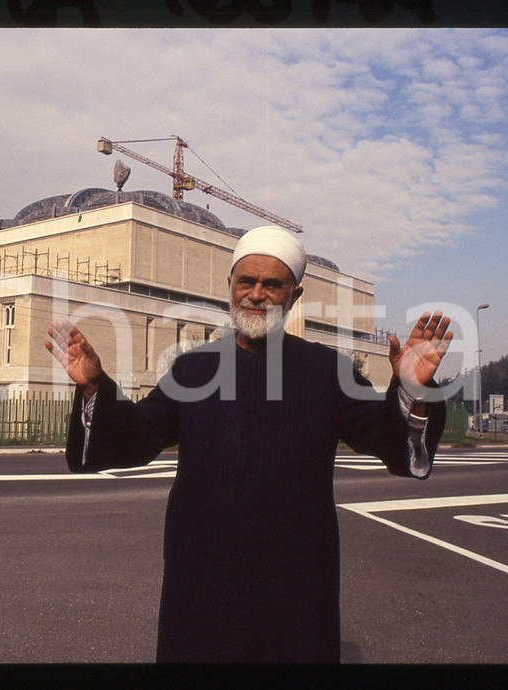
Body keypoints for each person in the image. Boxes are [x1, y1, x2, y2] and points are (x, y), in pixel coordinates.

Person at [45, 225, 452, 663]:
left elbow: (394, 445)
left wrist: (411, 389)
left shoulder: (326, 371)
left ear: (293, 296)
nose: (256, 294)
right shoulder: (194, 371)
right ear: (230, 288)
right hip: (201, 586)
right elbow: (130, 440)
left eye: (271, 285)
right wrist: (93, 388)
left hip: (295, 590)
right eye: (246, 281)